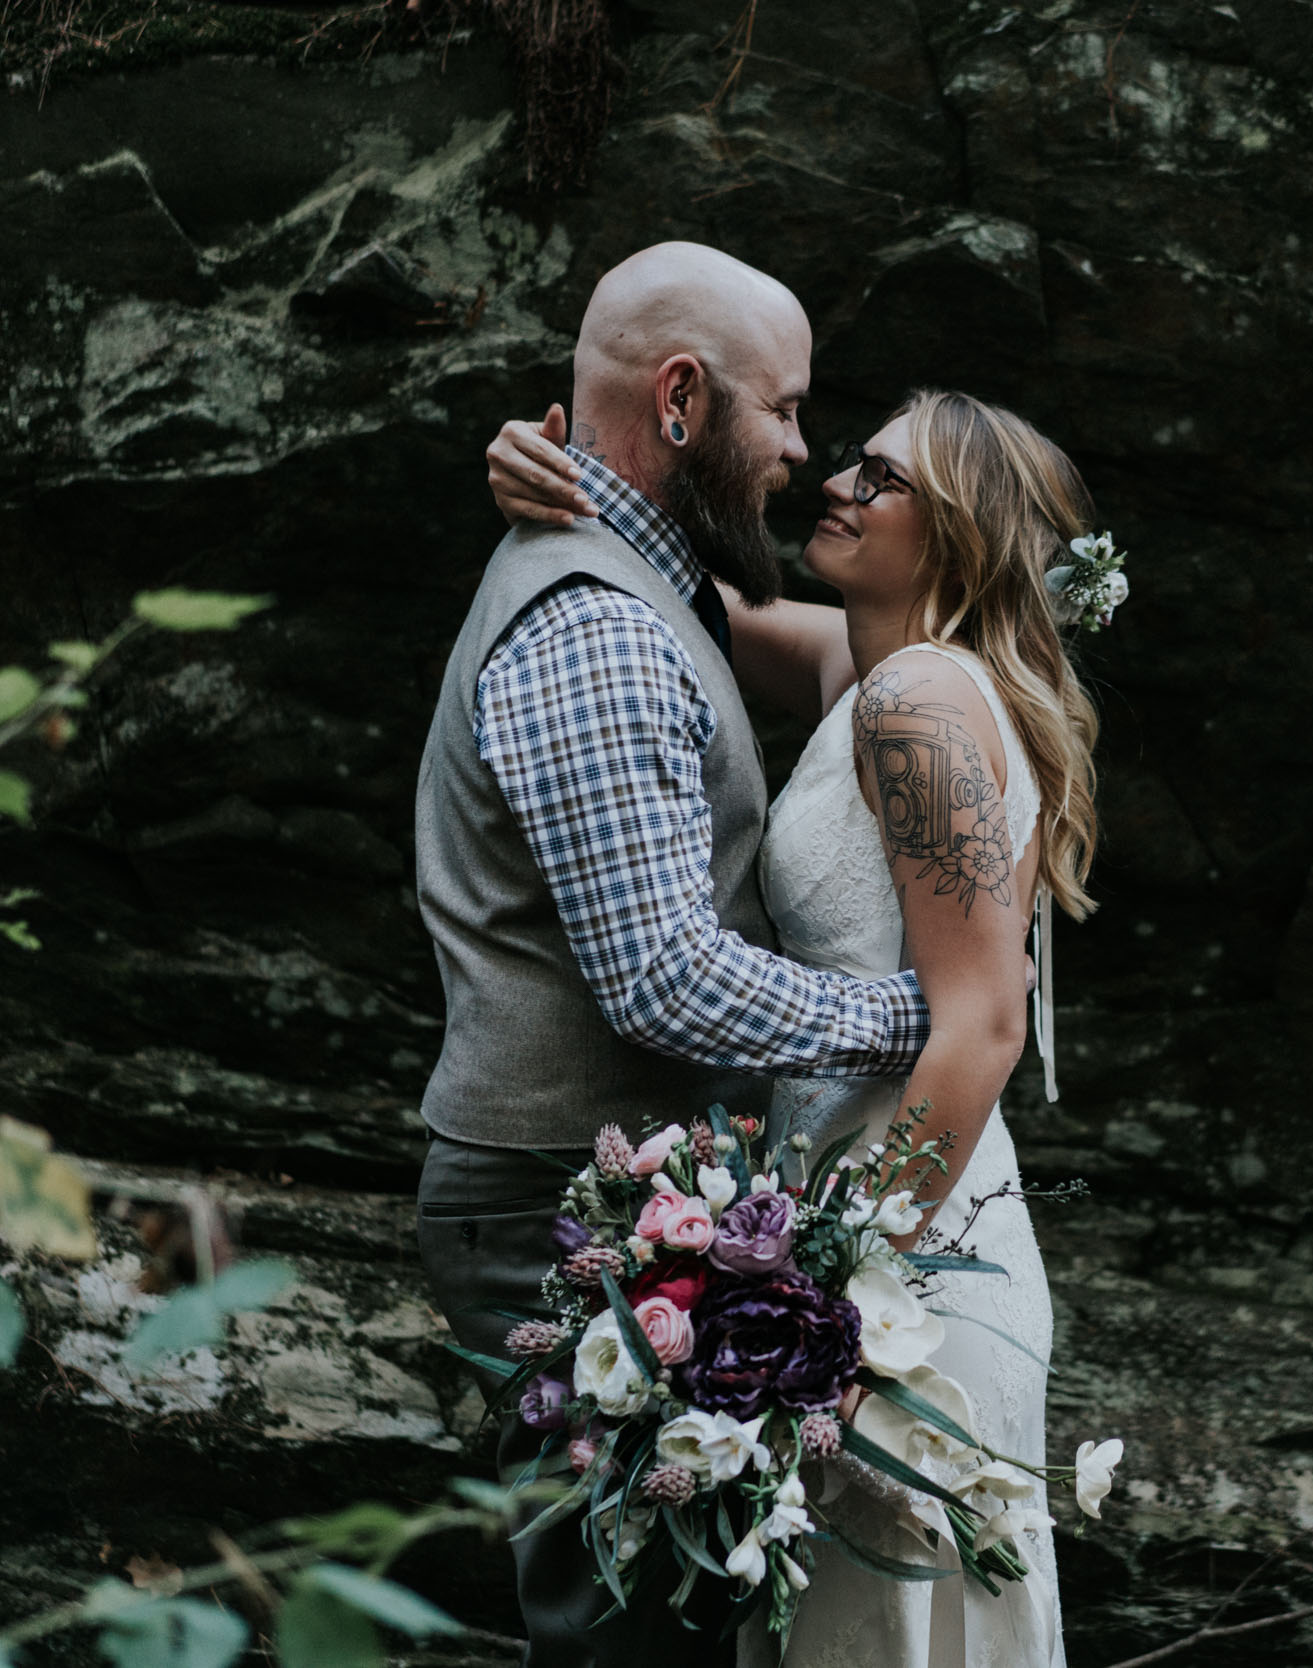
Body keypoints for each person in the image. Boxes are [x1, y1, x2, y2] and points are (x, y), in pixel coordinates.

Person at [487, 385, 1108, 1668]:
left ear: (957, 534)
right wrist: (545, 475)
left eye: (880, 480)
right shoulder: (871, 672)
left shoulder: (918, 705)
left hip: (907, 1248)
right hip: (855, 1214)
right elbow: (679, 597)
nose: (837, 482)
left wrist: (836, 1295)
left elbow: (983, 1025)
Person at [413, 241, 938, 1668]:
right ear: (687, 400)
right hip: (551, 1206)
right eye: (784, 410)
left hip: (610, 1191)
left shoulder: (660, 582)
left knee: (671, 1624)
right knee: (621, 1636)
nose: (804, 449)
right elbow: (662, 980)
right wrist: (920, 1013)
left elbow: (865, 654)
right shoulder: (594, 628)